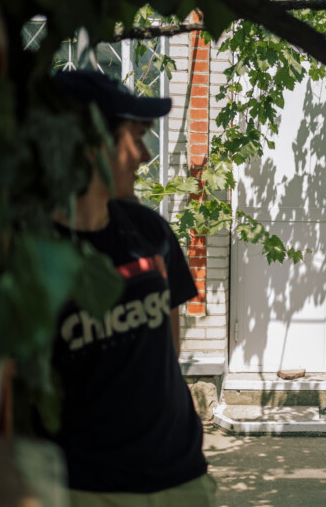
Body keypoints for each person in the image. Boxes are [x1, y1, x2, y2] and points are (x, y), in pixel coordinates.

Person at [48, 70, 217, 506]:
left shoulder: (149, 230)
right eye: (133, 137)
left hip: (182, 473)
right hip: (88, 486)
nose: (144, 155)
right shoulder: (30, 256)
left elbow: (169, 345)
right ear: (89, 146)